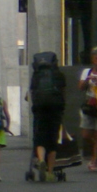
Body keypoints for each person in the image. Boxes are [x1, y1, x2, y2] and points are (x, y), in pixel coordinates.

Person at [28, 51, 66, 181]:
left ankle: (40, 160)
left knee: (39, 138)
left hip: (40, 109)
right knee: (53, 139)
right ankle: (50, 171)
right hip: (55, 109)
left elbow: (31, 93)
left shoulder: (36, 75)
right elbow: (63, 91)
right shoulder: (58, 75)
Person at [79, 46, 97, 171]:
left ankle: (94, 160)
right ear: (92, 59)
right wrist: (88, 80)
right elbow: (80, 87)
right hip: (89, 106)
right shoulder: (87, 72)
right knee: (86, 134)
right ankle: (95, 152)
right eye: (96, 57)